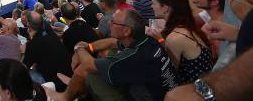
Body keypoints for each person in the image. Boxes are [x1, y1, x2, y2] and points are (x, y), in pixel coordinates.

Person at [45, 9, 178, 101]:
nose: (109, 23)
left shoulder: (131, 57)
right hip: (163, 89)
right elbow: (112, 42)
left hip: (146, 97)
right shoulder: (148, 38)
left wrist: (79, 47)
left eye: (113, 22)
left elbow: (86, 66)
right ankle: (79, 86)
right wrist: (89, 47)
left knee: (88, 73)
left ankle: (65, 97)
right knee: (103, 54)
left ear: (126, 31)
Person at [150, 0, 213, 84]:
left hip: (195, 91)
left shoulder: (176, 38)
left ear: (165, 7)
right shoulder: (186, 27)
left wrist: (160, 40)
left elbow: (170, 74)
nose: (151, 6)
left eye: (153, 3)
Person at [22, 11, 72, 90]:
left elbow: (24, 68)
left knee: (29, 74)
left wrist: (22, 52)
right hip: (70, 74)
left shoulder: (32, 45)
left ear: (28, 24)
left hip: (58, 84)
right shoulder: (50, 33)